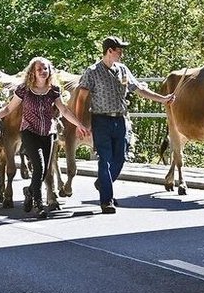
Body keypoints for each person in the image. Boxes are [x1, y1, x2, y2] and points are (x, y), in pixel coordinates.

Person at [73, 36, 174, 213]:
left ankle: (103, 183)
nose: (122, 54)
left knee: (120, 158)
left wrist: (163, 99)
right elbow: (81, 98)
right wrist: (79, 123)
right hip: (101, 120)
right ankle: (106, 201)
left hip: (120, 119)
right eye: (119, 50)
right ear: (109, 51)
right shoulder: (92, 71)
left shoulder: (123, 70)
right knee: (105, 160)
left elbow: (140, 89)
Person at [0, 56, 90, 218]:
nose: (43, 71)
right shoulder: (24, 89)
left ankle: (29, 191)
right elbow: (8, 109)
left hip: (48, 133)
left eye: (45, 68)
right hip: (29, 132)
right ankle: (38, 204)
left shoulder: (54, 90)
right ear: (32, 72)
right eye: (39, 69)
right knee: (39, 168)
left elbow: (64, 110)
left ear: (50, 71)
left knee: (45, 170)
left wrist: (79, 124)